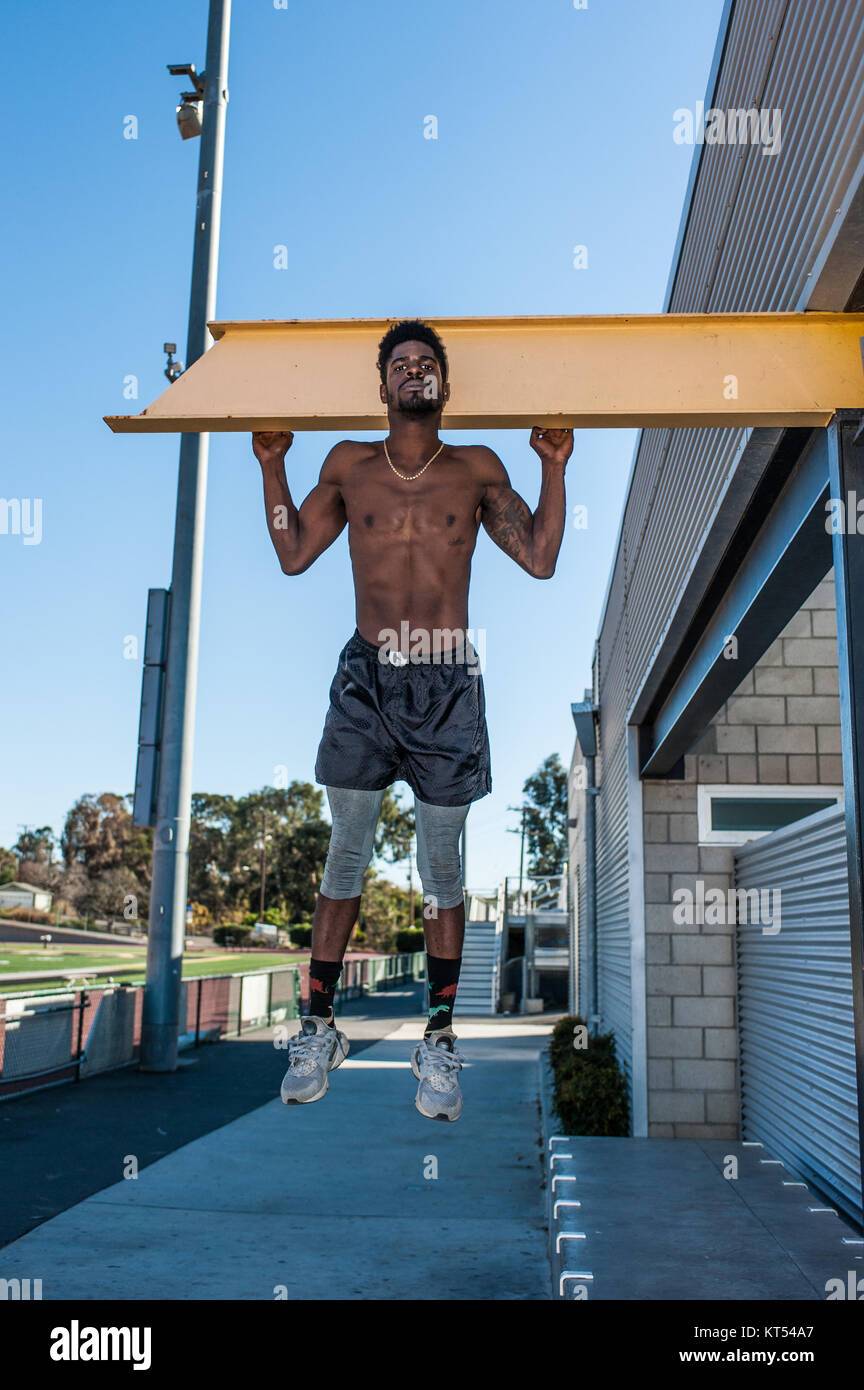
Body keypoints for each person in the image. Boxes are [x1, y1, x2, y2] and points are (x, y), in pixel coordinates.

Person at [252, 319, 572, 1121]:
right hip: (367, 673)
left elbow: (539, 557)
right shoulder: (348, 466)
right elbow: (294, 555)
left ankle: (437, 1040)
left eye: (428, 364)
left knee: (442, 871)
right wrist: (273, 465)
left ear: (443, 384)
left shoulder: (475, 468)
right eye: (402, 364)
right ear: (383, 384)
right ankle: (319, 1026)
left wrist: (553, 466)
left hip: (447, 682)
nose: (415, 373)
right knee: (346, 853)